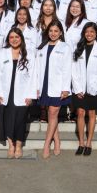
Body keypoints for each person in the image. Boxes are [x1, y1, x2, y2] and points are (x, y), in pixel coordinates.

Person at [0, 28, 37, 159]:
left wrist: (31, 95)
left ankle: (18, 145)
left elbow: (34, 75)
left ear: (21, 39)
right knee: (7, 119)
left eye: (17, 37)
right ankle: (10, 146)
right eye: (11, 37)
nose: (14, 39)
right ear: (8, 39)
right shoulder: (2, 53)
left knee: (20, 120)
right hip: (5, 93)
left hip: (22, 93)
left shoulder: (28, 54)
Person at [70, 23, 97, 156]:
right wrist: (77, 88)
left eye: (92, 32)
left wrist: (96, 87)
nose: (89, 34)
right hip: (79, 88)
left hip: (93, 88)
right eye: (87, 32)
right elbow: (73, 70)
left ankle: (89, 142)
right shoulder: (78, 48)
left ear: (96, 33)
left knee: (91, 114)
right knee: (80, 113)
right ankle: (81, 142)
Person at [36, 22, 72, 159]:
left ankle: (46, 144)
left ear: (61, 33)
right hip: (44, 84)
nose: (53, 33)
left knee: (52, 113)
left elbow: (67, 69)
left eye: (56, 31)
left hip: (58, 86)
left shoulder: (65, 47)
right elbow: (38, 69)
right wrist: (37, 87)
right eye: (51, 31)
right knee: (52, 116)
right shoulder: (42, 47)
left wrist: (65, 88)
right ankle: (57, 140)